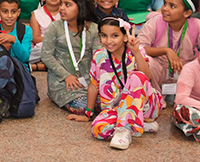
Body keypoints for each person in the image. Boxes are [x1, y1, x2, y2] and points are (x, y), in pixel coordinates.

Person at [66, 17, 162, 151]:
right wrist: (88, 113)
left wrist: (136, 52)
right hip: (115, 108)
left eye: (115, 36)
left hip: (145, 105)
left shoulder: (136, 51)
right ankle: (138, 124)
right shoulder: (99, 56)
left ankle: (124, 130)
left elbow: (147, 77)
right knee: (98, 130)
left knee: (137, 76)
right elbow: (94, 85)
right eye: (104, 36)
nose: (109, 41)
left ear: (124, 37)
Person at [137, 0, 200, 92]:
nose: (165, 9)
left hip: (184, 70)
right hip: (159, 70)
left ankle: (189, 93)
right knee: (144, 61)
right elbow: (139, 49)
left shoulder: (197, 25)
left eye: (172, 6)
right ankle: (154, 95)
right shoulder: (155, 23)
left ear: (186, 13)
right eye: (165, 3)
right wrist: (167, 51)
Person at [42, 0, 99, 115]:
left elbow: (98, 58)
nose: (61, 8)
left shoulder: (94, 29)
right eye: (61, 4)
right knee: (83, 107)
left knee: (111, 102)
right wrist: (66, 76)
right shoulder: (55, 27)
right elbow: (46, 56)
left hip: (91, 83)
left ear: (81, 6)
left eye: (67, 5)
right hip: (63, 83)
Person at [29, 0, 63, 71]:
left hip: (62, 46)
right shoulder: (36, 14)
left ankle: (41, 66)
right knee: (29, 54)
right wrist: (53, 39)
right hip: (43, 47)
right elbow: (35, 38)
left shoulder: (66, 12)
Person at [0, 0, 32, 68]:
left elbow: (25, 58)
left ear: (18, 12)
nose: (9, 15)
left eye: (13, 11)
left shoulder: (26, 30)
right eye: (5, 11)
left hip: (19, 71)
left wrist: (13, 40)